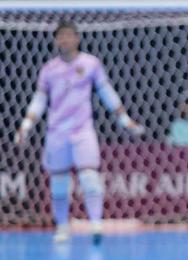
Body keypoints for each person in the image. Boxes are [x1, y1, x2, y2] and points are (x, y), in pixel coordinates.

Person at [13, 20, 145, 244]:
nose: (64, 40)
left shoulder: (91, 63)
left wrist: (125, 120)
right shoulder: (49, 69)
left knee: (89, 177)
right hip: (56, 133)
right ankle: (62, 226)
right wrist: (26, 125)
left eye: (68, 35)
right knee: (59, 183)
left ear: (77, 38)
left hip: (83, 131)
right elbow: (40, 99)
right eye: (60, 36)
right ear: (56, 40)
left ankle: (96, 225)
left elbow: (106, 91)